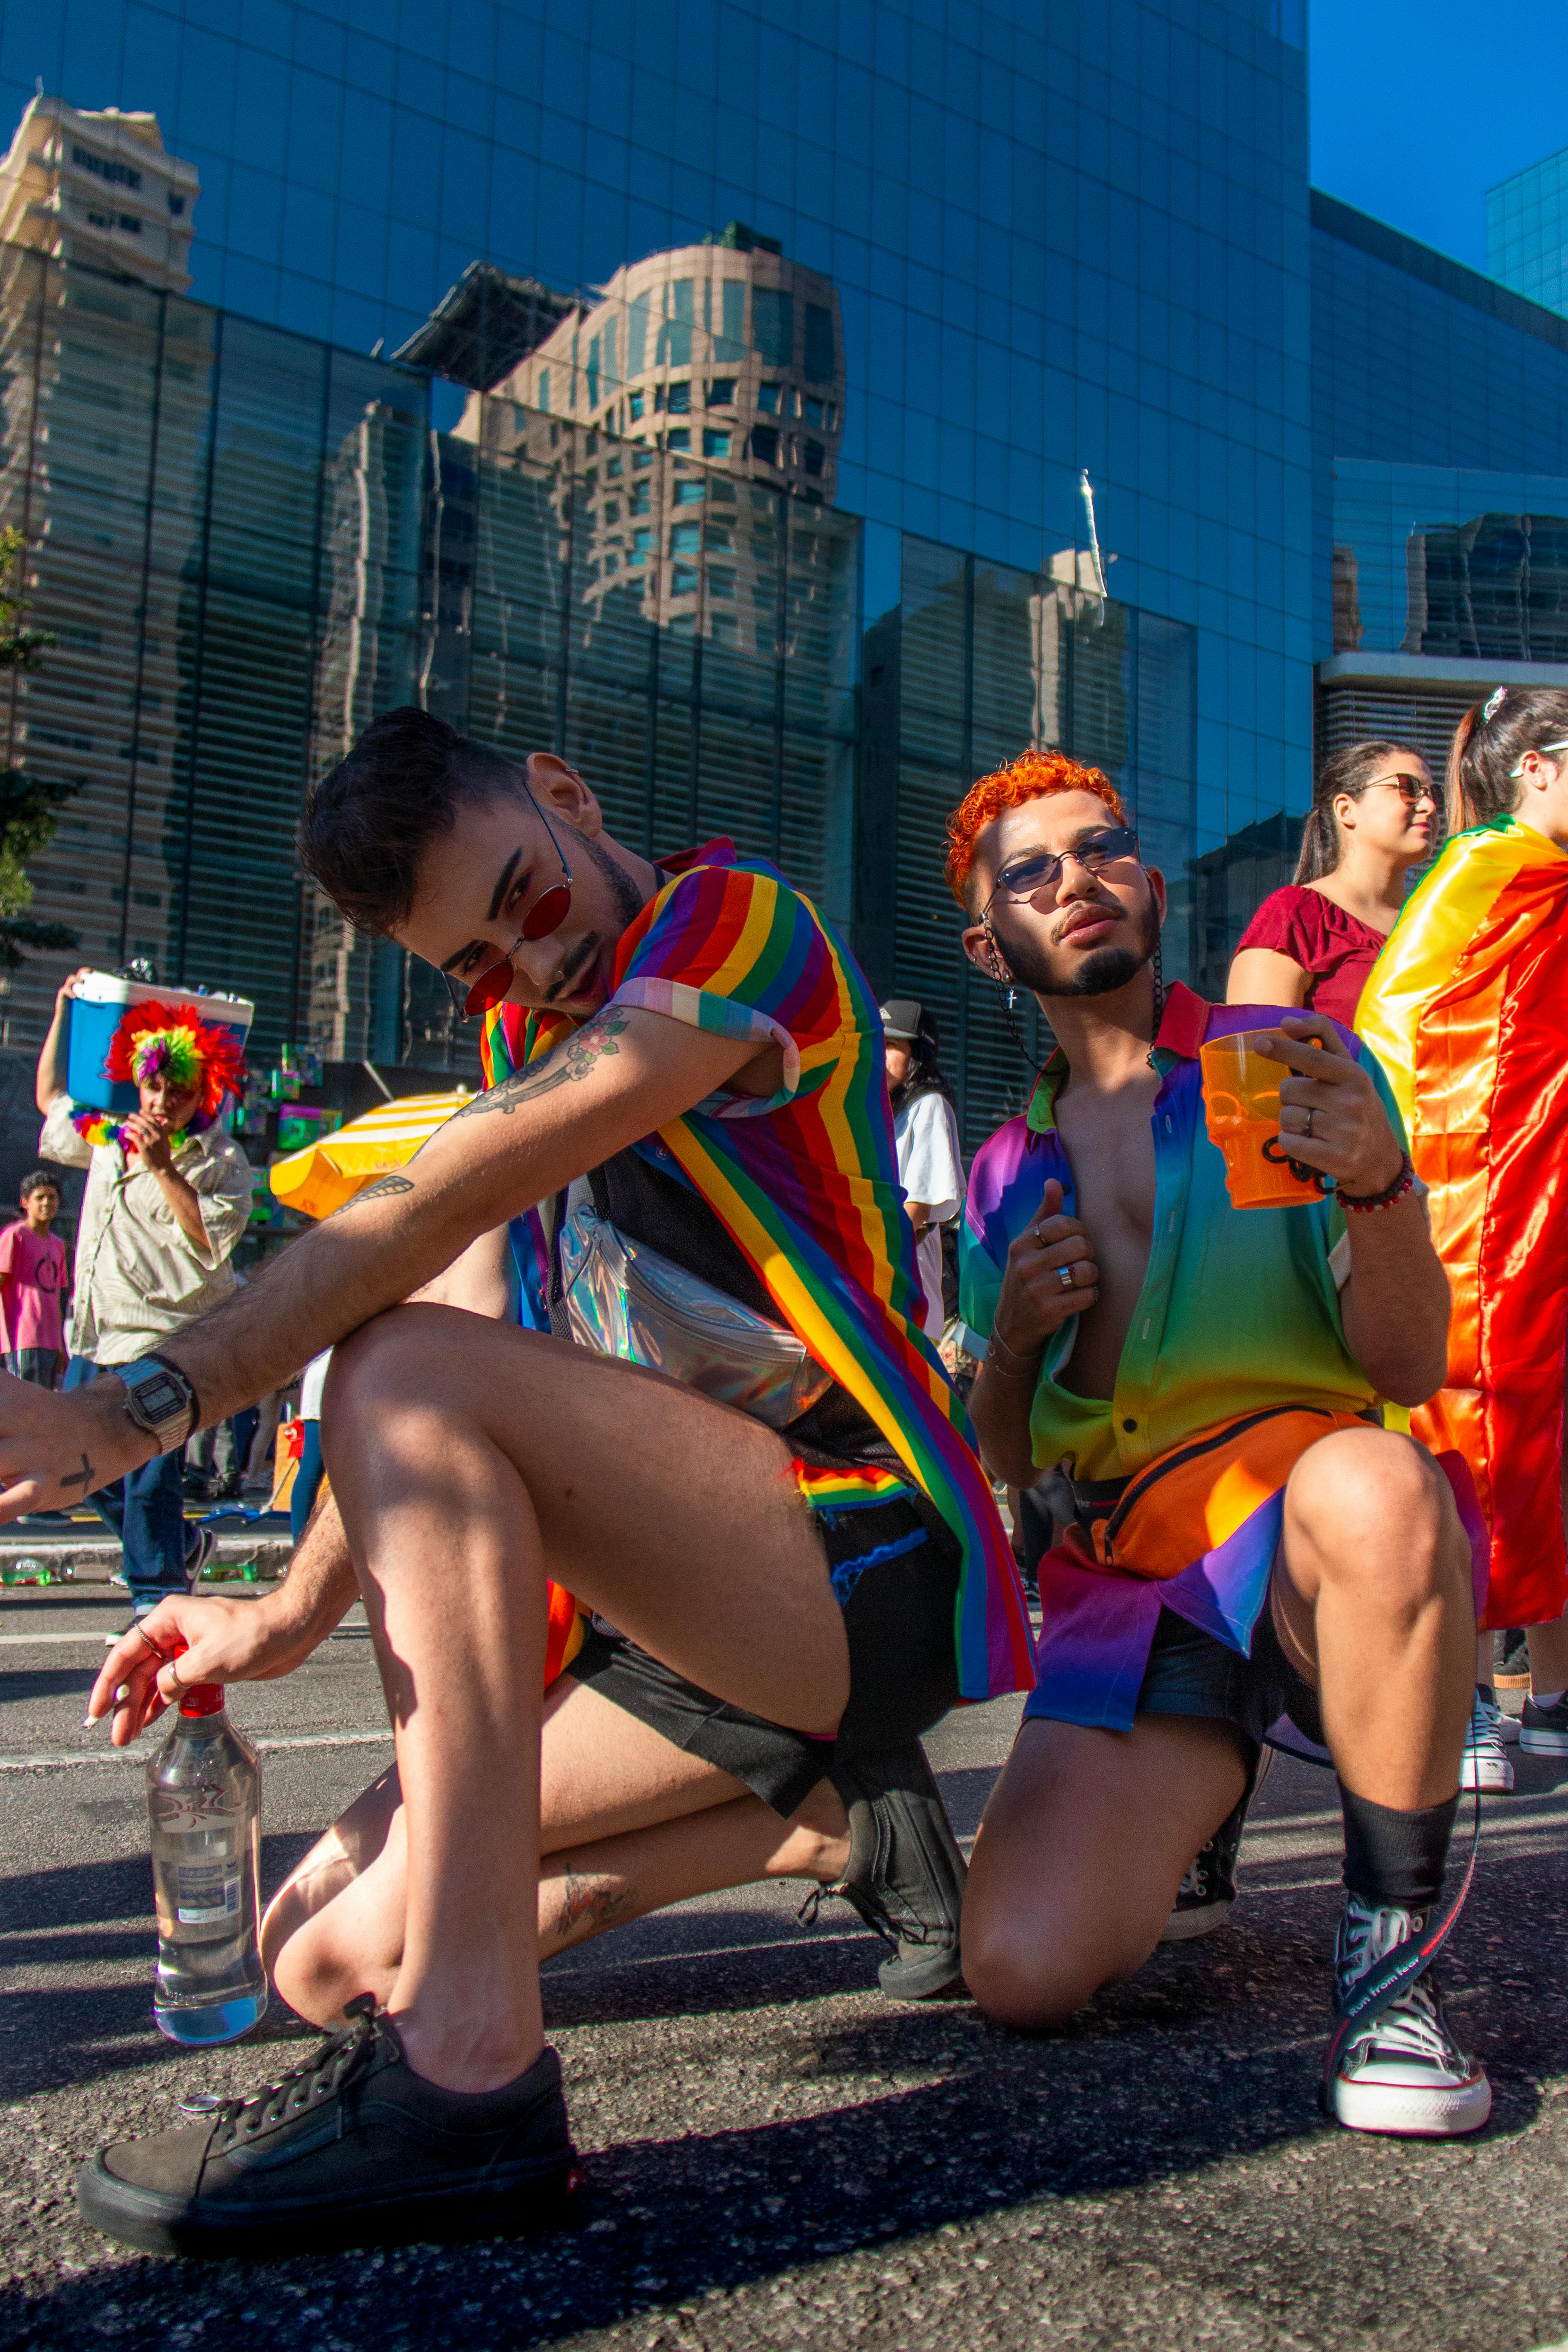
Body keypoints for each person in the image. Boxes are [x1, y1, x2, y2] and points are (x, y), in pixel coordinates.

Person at [6, 707, 1031, 2257]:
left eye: (526, 904)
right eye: (476, 963)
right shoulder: (518, 1039)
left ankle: (474, 2074)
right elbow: (467, 1304)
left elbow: (442, 1211)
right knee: (310, 1966)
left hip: (847, 1551)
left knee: (395, 1366)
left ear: (563, 794)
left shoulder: (739, 927)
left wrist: (141, 1403)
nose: (528, 970)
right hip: (664, 1616)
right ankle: (823, 1820)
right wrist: (279, 1614)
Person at [947, 746, 1487, 2139]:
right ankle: (1208, 1791)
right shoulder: (1006, 1168)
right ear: (987, 940)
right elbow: (1005, 1453)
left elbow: (1406, 1365)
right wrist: (1008, 1346)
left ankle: (1394, 1953)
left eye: (1104, 847)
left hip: (1308, 1532)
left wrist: (1379, 1188)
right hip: (1133, 1593)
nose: (1075, 879)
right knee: (1018, 1969)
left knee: (1377, 1480)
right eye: (1031, 871)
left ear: (1150, 882)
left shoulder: (1255, 1071)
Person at [1357, 684, 1568, 1794]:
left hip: (1536, 1188)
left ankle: (1545, 1699)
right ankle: (1469, 1695)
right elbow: (1405, 1028)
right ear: (1534, 769)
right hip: (1463, 1197)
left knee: (1538, 1434)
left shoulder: (1535, 875)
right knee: (1469, 1423)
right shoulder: (1489, 866)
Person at [33, 975, 253, 1618]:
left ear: (200, 1096)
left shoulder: (222, 1161)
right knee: (76, 1462)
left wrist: (163, 1167)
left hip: (169, 1341)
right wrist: (64, 1011)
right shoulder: (106, 1137)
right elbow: (50, 1097)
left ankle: (155, 1604)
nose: (162, 1102)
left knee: (150, 1475)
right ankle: (181, 1546)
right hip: (95, 1334)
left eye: (178, 1094)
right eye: (154, 1087)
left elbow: (209, 1242)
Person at [1227, 742, 1439, 1024]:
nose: (1430, 806)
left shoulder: (1438, 925)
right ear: (1346, 809)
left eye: (1432, 794)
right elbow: (1258, 1056)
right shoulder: (1297, 914)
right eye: (1408, 789)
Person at [881, 997, 964, 1336]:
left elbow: (916, 1206)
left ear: (919, 1056)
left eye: (891, 1045)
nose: (879, 1056)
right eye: (876, 1043)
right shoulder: (881, 1108)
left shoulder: (929, 1105)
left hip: (903, 1282)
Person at [0, 1170, 68, 1389]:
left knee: (47, 1409)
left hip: (51, 1343)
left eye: (53, 1197)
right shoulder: (15, 1235)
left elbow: (56, 1296)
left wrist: (61, 1345)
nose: (47, 1203)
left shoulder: (58, 1244)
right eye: (40, 1197)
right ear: (25, 1202)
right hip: (23, 1338)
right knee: (26, 1410)